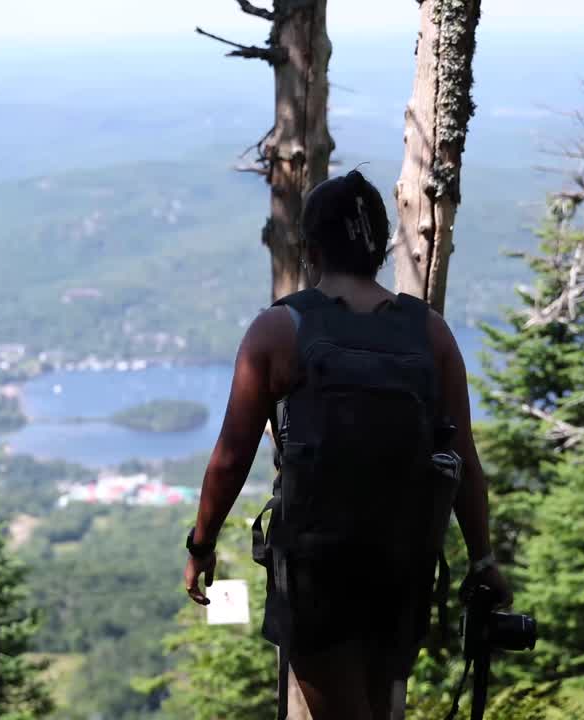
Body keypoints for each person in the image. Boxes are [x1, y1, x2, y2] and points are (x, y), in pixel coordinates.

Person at [182, 169, 512, 720]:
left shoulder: (278, 330)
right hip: (404, 564)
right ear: (380, 247)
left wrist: (201, 545)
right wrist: (482, 560)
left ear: (310, 248)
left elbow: (231, 458)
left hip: (316, 568)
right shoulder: (430, 333)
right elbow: (464, 462)